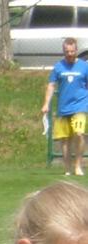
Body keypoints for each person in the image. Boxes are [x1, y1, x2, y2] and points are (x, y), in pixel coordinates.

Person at [42, 38, 88, 177]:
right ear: (63, 51)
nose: (70, 54)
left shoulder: (84, 67)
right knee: (64, 139)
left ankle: (78, 165)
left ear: (76, 50)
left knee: (79, 134)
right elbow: (51, 85)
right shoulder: (58, 67)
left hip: (80, 105)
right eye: (67, 51)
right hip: (63, 107)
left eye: (72, 51)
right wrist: (46, 103)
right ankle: (67, 168)